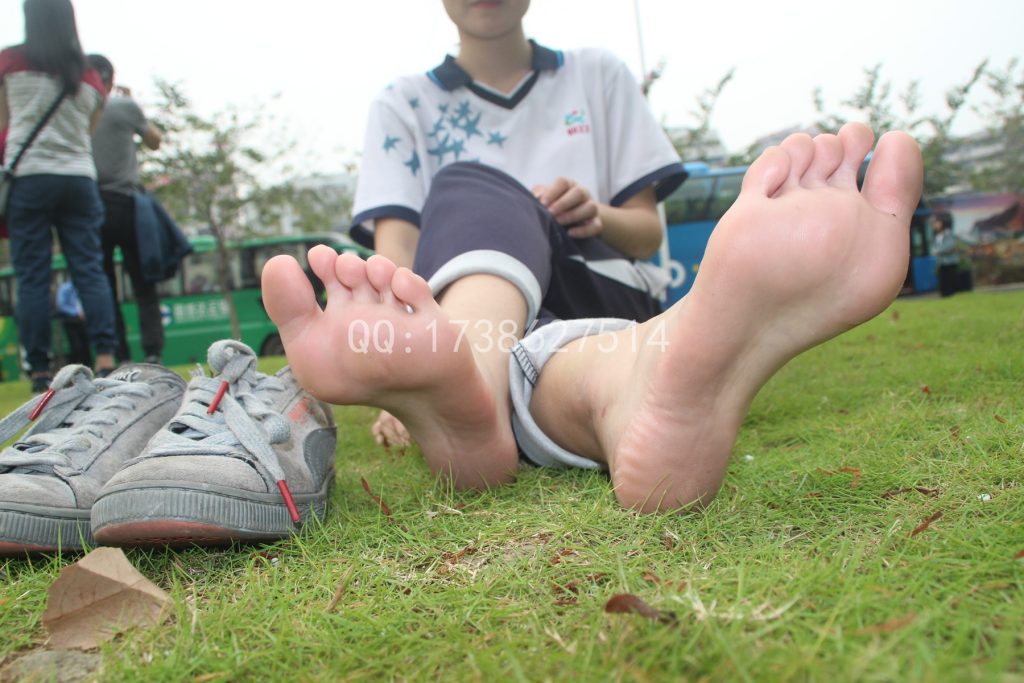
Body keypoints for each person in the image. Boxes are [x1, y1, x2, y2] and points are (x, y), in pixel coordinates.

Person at [261, 1, 924, 513]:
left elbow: (644, 232)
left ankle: (466, 388)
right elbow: (396, 254)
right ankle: (626, 388)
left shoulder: (598, 74)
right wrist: (399, 345)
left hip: (593, 273)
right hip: (482, 304)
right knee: (552, 326)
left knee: (474, 192)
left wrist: (595, 212)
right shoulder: (402, 103)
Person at [0, 0, 117, 392]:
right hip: (79, 180)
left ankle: (38, 368)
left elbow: (4, 125)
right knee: (90, 269)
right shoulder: (89, 76)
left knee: (33, 275)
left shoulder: (10, 63)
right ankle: (104, 357)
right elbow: (87, 130)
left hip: (30, 178)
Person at [87, 54, 165, 364]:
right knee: (143, 282)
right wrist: (134, 104)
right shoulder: (123, 107)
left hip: (91, 205)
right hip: (128, 204)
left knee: (103, 284)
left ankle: (116, 353)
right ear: (109, 79)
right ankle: (153, 352)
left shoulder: (78, 110)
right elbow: (154, 141)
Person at [55, 280, 91, 366]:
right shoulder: (65, 288)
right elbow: (61, 305)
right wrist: (77, 313)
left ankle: (87, 367)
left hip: (85, 321)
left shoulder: (87, 287)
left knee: (86, 346)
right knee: (75, 346)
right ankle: (72, 368)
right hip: (71, 321)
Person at [932, 211, 959, 298]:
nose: (934, 224)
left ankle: (951, 296)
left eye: (936, 222)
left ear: (943, 222)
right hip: (941, 262)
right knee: (943, 281)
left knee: (950, 280)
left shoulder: (949, 233)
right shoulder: (937, 236)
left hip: (950, 262)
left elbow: (950, 246)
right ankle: (944, 296)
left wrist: (938, 251)